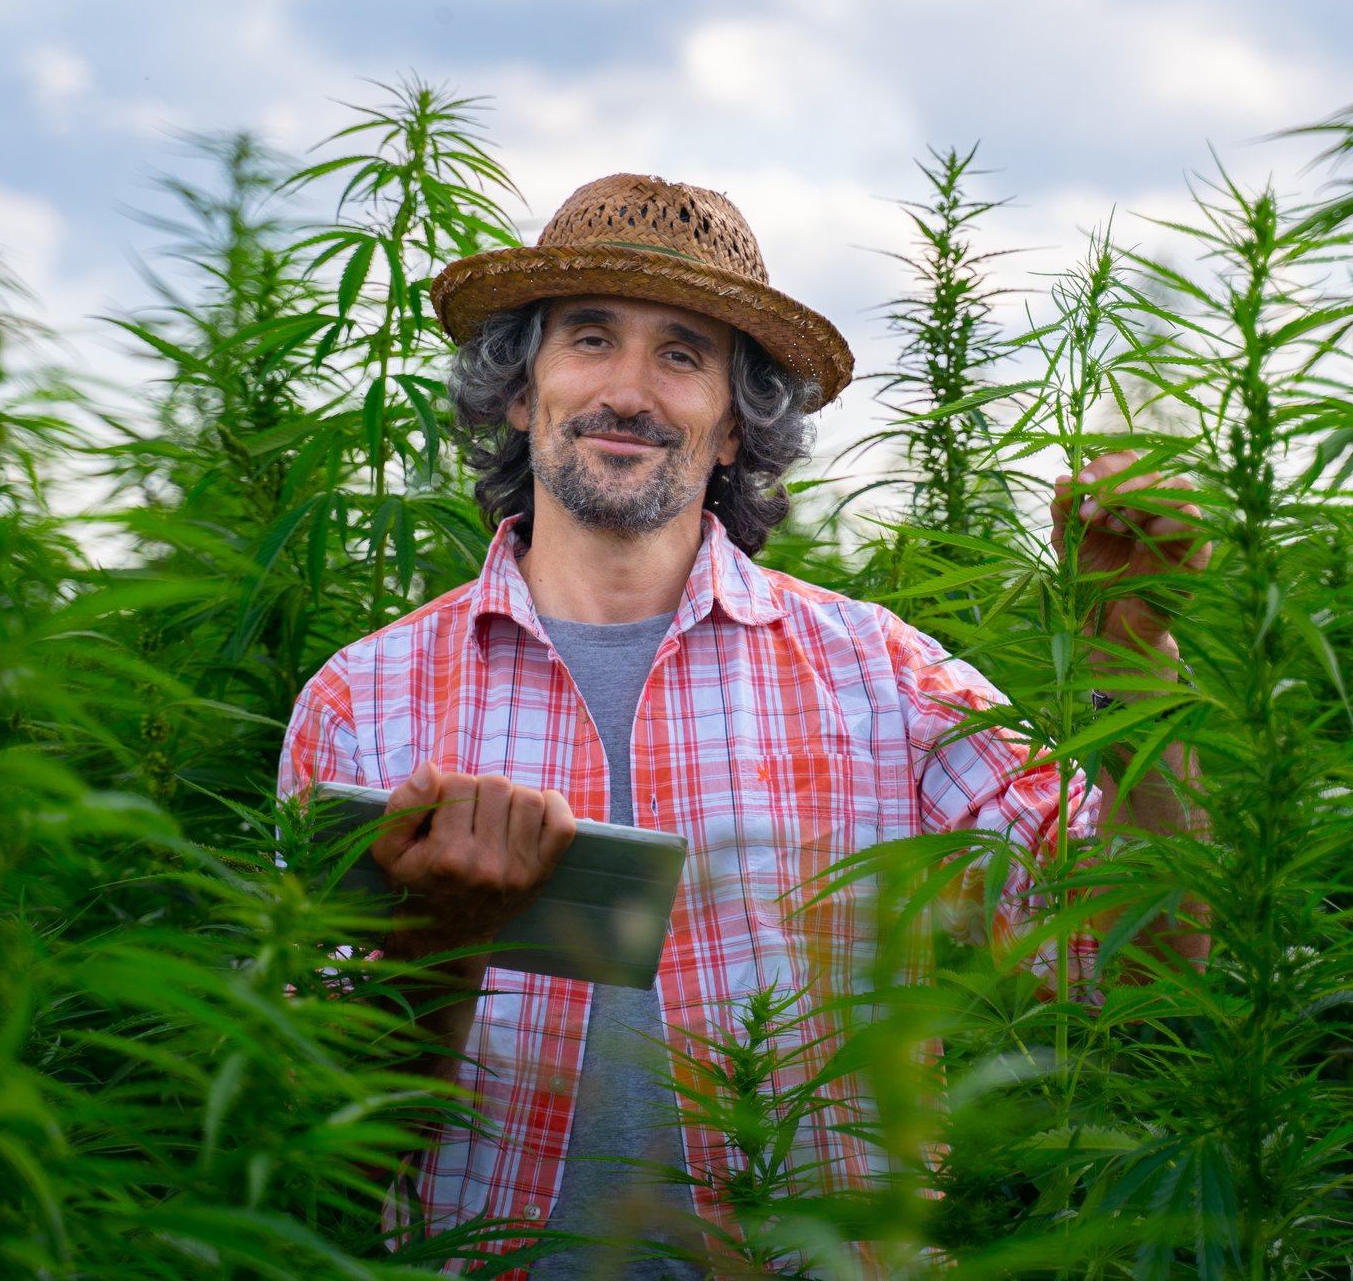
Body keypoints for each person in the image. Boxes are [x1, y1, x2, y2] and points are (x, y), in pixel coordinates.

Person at [278, 173, 1210, 1278]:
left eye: (682, 354)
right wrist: (437, 947)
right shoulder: (365, 698)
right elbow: (315, 1151)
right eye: (588, 339)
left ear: (733, 428)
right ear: (521, 393)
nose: (627, 389)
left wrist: (1134, 657)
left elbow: (1143, 961)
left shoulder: (883, 678)